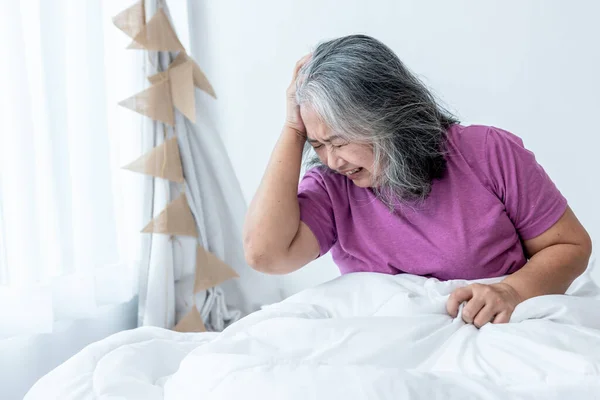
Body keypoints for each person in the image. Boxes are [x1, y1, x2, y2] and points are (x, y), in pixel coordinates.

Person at [243, 35, 592, 328]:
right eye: (318, 145)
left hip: (486, 332)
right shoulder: (333, 185)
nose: (333, 160)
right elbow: (265, 255)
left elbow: (570, 246)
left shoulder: (486, 152)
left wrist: (512, 292)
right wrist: (292, 129)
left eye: (340, 140)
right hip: (388, 343)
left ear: (386, 115)